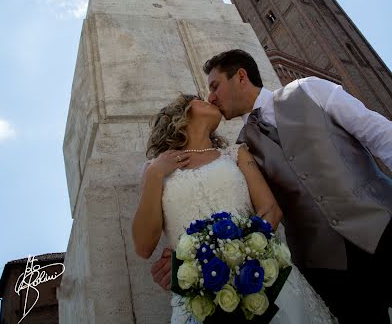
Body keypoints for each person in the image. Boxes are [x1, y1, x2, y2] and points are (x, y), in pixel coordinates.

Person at [152, 49, 392, 324]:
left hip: (383, 223)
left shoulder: (309, 90)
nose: (211, 97)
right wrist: (190, 253)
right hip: (327, 269)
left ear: (241, 76)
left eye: (215, 86)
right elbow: (238, 211)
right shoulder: (240, 151)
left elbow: (379, 134)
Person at [133, 93, 335, 323]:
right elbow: (143, 246)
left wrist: (241, 257)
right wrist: (155, 174)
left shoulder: (236, 153)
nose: (210, 98)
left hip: (261, 278)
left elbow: (270, 210)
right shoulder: (154, 170)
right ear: (182, 112)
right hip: (201, 297)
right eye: (200, 98)